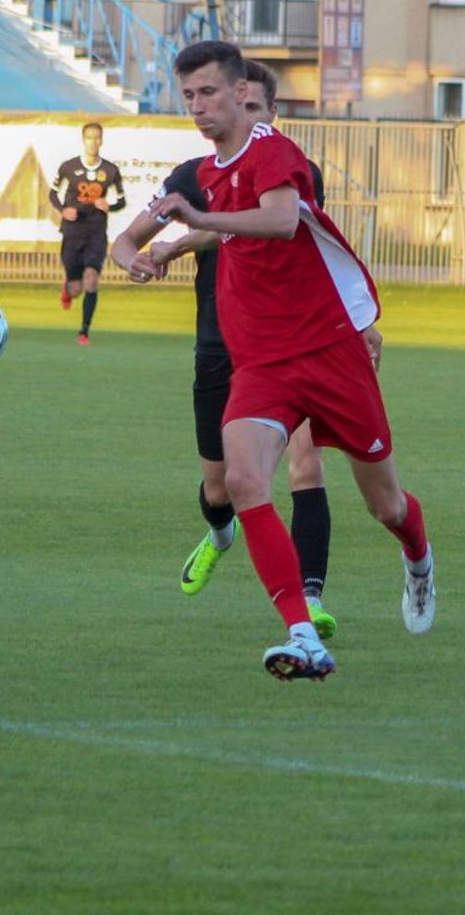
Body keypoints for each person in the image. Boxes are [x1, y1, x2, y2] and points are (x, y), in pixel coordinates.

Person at [149, 41, 435, 682]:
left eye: (210, 94)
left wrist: (194, 218)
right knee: (245, 480)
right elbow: (213, 225)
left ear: (250, 101)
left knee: (385, 506)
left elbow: (282, 222)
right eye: (189, 96)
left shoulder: (278, 154)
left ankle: (418, 556)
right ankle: (302, 635)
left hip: (328, 351)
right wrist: (165, 248)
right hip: (261, 361)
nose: (199, 107)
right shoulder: (210, 171)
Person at [110, 61, 337, 640]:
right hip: (221, 343)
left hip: (292, 342)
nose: (251, 123)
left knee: (306, 465)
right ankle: (219, 532)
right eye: (243, 109)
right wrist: (135, 259)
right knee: (222, 487)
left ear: (271, 113)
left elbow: (282, 227)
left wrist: (187, 238)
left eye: (260, 112)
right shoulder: (193, 176)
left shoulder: (295, 169)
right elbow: (126, 238)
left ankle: (309, 604)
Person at [49, 121, 126, 345]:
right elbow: (53, 193)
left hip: (96, 232)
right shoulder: (68, 167)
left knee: (91, 280)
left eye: (97, 137)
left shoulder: (110, 171)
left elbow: (121, 200)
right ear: (83, 140)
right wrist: (63, 210)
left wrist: (109, 206)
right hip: (72, 231)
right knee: (75, 289)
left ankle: (84, 331)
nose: (93, 142)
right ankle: (67, 288)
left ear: (101, 140)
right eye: (89, 137)